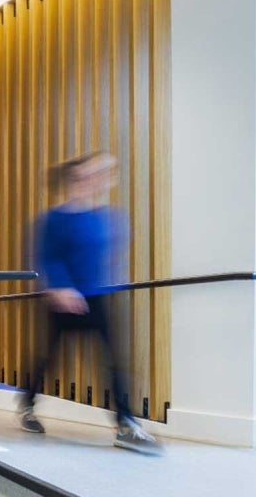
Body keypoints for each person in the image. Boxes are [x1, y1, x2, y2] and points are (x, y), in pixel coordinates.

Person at [18, 152, 156, 449]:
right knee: (49, 358)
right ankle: (27, 404)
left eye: (101, 175)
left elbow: (107, 256)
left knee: (114, 360)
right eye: (86, 176)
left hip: (98, 298)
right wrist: (60, 287)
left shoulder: (109, 217)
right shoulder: (53, 219)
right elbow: (45, 257)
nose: (95, 181)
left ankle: (125, 422)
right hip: (63, 301)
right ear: (72, 180)